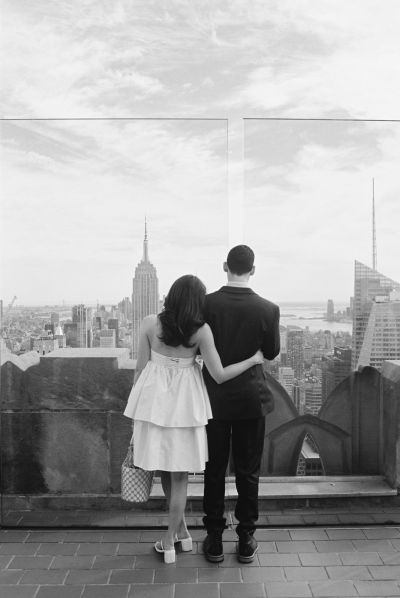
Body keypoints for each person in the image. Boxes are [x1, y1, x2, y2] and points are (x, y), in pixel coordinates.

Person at [123, 274, 264, 564]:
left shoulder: (150, 323)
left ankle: (172, 540)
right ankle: (178, 538)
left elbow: (139, 370)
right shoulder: (201, 331)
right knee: (179, 475)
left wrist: (134, 408)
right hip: (186, 404)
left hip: (153, 403)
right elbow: (220, 375)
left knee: (165, 470)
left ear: (171, 295)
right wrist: (252, 360)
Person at [202, 245, 280, 563]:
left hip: (214, 401)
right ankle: (246, 537)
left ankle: (215, 538)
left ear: (225, 266)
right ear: (253, 269)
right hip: (251, 400)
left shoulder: (207, 304)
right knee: (248, 471)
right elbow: (271, 353)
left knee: (214, 470)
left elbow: (197, 350)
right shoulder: (268, 308)